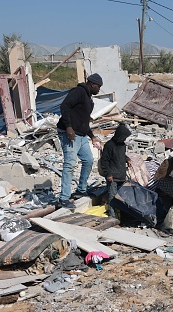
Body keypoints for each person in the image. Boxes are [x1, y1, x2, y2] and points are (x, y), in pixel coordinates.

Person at [56, 73, 104, 208]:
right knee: (70, 164)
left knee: (88, 160)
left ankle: (81, 190)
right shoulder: (78, 92)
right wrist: (68, 127)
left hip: (81, 135)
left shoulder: (89, 99)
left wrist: (92, 136)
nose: (99, 90)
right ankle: (63, 198)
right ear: (92, 84)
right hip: (69, 134)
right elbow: (64, 106)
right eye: (98, 87)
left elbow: (84, 122)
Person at [100, 123, 132, 217]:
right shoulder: (109, 145)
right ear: (119, 136)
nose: (124, 139)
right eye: (123, 137)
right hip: (113, 177)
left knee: (121, 197)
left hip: (121, 175)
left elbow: (121, 155)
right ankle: (112, 217)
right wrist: (108, 174)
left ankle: (121, 217)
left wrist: (127, 159)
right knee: (112, 198)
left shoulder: (122, 145)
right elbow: (104, 161)